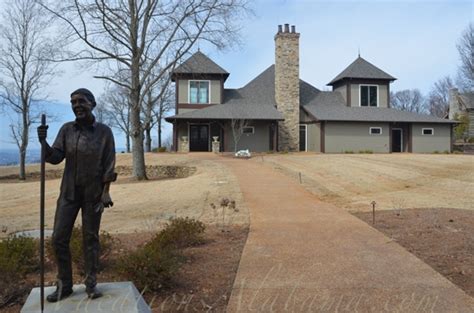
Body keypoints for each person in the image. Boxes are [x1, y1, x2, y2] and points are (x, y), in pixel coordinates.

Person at [37, 88, 117, 302]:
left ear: (92, 104)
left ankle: (91, 285)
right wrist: (43, 143)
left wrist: (106, 192)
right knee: (58, 239)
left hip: (93, 194)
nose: (77, 105)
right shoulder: (66, 130)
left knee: (90, 239)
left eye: (81, 101)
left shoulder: (104, 132)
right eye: (73, 102)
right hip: (68, 194)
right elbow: (54, 157)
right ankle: (65, 286)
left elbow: (109, 164)